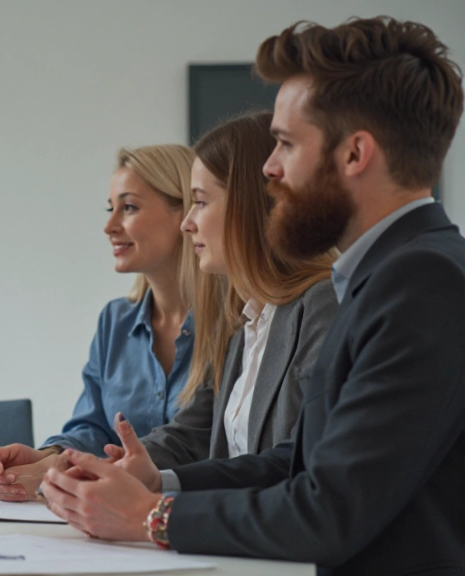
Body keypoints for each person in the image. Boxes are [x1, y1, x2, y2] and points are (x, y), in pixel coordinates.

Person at [41, 17, 465, 575]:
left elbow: (330, 512)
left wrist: (152, 516)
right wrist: (162, 481)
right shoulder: (384, 273)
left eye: (287, 144)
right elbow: (300, 462)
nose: (269, 168)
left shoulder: (421, 281)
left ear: (355, 154)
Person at [112, 111, 336, 479]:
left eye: (200, 202)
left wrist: (163, 486)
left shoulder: (322, 306)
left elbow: (301, 460)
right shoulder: (239, 318)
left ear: (248, 205)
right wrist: (101, 469)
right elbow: (192, 435)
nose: (188, 223)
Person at [0, 144, 198, 501]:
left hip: (194, 516)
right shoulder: (115, 321)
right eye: (110, 208)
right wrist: (50, 457)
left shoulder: (237, 324)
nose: (109, 226)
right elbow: (94, 426)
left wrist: (68, 467)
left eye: (128, 207)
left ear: (186, 212)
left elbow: (197, 439)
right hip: (111, 515)